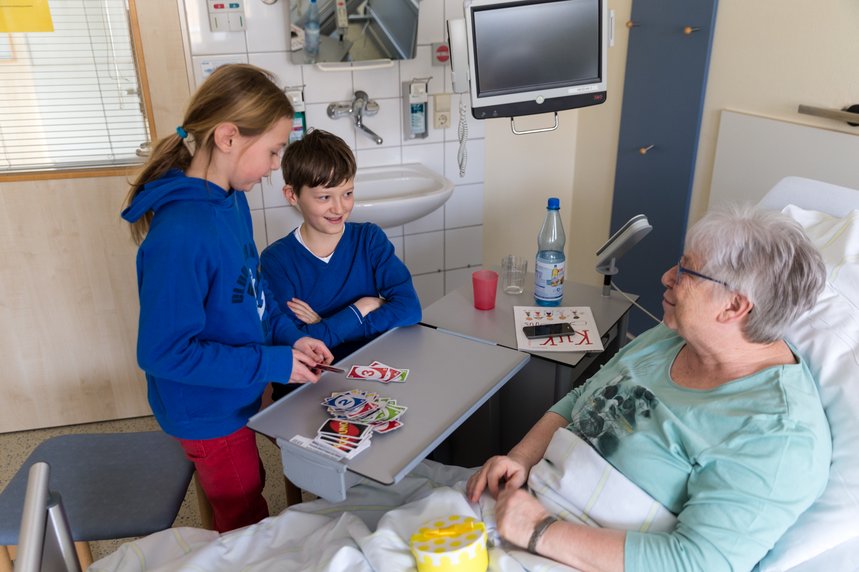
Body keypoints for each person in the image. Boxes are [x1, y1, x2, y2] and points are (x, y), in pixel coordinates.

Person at [466, 205, 832, 571]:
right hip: (522, 506)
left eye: (686, 271)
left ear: (733, 306)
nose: (667, 276)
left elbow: (697, 563)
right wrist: (521, 457)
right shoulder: (673, 336)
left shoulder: (778, 435)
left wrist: (537, 530)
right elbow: (583, 398)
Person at [121, 64, 334, 533]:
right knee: (243, 514)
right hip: (205, 411)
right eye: (274, 150)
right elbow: (162, 353)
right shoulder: (180, 235)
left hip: (235, 391)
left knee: (249, 483)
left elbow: (250, 294)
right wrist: (271, 364)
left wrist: (289, 340)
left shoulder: (230, 200)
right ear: (228, 137)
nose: (277, 164)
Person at [260, 130, 422, 401]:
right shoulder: (276, 260)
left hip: (370, 369)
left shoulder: (369, 238)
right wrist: (363, 307)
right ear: (292, 195)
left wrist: (325, 325)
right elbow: (302, 346)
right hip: (310, 383)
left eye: (347, 193)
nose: (339, 208)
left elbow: (409, 308)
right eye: (324, 197)